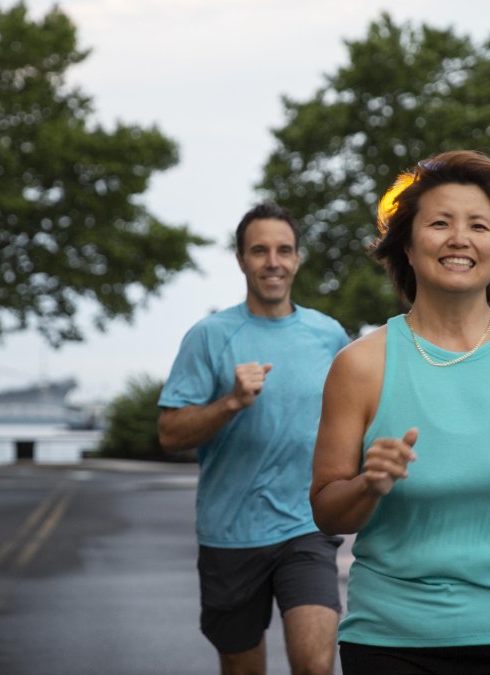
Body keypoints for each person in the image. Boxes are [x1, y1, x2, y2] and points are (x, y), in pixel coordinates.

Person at [310, 150, 490, 674]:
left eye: (479, 225)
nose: (459, 238)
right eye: (440, 223)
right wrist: (369, 483)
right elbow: (327, 509)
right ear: (409, 247)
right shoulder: (360, 366)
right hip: (394, 640)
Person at [157, 202, 349, 675]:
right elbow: (169, 433)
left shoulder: (329, 335)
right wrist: (230, 402)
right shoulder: (208, 336)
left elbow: (355, 419)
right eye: (259, 251)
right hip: (231, 533)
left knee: (315, 666)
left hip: (307, 527)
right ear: (241, 259)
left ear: (298, 259)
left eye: (284, 250)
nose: (273, 262)